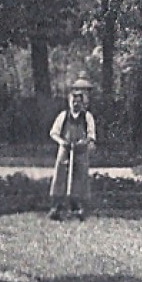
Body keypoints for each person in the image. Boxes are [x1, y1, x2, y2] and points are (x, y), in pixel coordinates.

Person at [48, 75, 97, 221]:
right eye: (73, 101)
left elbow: (91, 134)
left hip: (80, 150)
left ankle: (78, 207)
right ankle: (56, 206)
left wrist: (85, 142)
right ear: (69, 102)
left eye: (78, 102)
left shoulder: (87, 117)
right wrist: (62, 142)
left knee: (80, 176)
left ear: (83, 103)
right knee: (60, 175)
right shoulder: (63, 116)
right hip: (65, 148)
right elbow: (53, 133)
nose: (75, 104)